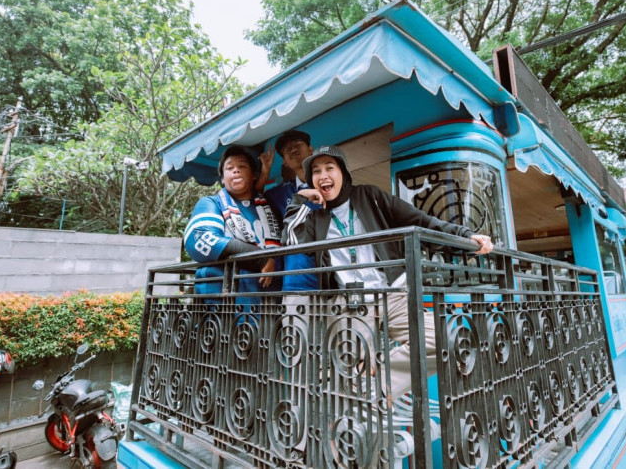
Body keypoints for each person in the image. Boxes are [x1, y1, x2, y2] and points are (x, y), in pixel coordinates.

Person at [282, 145, 493, 401]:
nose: (323, 175)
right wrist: (300, 200)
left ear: (343, 172)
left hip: (392, 295)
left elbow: (420, 221)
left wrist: (465, 236)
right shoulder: (316, 220)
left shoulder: (369, 196)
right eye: (316, 171)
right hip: (348, 305)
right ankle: (348, 426)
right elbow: (292, 241)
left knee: (442, 339)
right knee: (346, 366)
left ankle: (376, 385)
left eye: (330, 168)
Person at [183, 146, 281, 306]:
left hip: (270, 300)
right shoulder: (211, 203)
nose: (236, 171)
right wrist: (260, 259)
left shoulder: (269, 205)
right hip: (223, 303)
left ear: (254, 175)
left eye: (242, 166)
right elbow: (200, 240)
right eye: (229, 168)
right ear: (222, 178)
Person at [260, 130, 320, 300]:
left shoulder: (329, 184)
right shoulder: (280, 193)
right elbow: (251, 200)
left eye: (297, 144)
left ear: (311, 150)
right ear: (285, 162)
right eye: (287, 149)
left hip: (335, 277)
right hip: (297, 281)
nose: (293, 149)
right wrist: (265, 173)